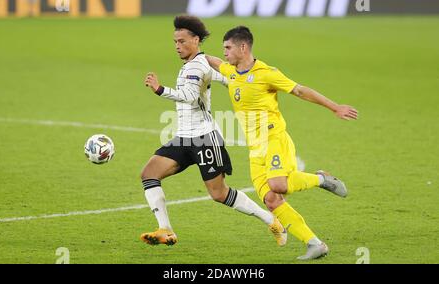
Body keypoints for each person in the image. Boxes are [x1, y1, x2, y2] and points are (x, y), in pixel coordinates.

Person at [205, 26, 358, 260]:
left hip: (274, 138)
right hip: (255, 148)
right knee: (270, 199)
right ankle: (315, 243)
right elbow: (214, 61)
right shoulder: (231, 71)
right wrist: (194, 51)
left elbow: (300, 90)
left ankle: (321, 179)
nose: (224, 52)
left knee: (278, 185)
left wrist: (335, 107)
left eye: (228, 47)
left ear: (243, 47)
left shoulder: (266, 73)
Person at [140, 16, 287, 247]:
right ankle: (165, 229)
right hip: (184, 137)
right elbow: (229, 78)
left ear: (196, 40)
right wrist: (241, 80)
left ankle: (272, 220)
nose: (177, 46)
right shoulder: (197, 63)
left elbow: (189, 97)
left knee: (219, 194)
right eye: (175, 42)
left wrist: (160, 89)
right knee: (149, 174)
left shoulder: (197, 66)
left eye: (182, 41)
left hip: (204, 139)